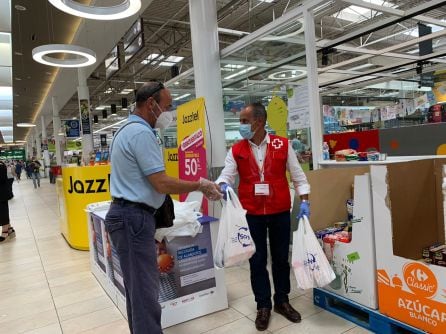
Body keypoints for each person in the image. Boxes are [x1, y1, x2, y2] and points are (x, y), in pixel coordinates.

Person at [104, 81, 222, 334]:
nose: (169, 113)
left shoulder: (125, 131)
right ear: (151, 104)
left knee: (138, 293)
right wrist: (200, 184)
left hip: (128, 217)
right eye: (167, 106)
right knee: (146, 295)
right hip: (133, 219)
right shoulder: (140, 133)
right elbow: (161, 182)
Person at [216, 102, 311, 331]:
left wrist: (305, 201)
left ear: (259, 122)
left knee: (280, 259)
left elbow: (298, 175)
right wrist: (223, 186)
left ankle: (282, 301)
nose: (241, 125)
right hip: (252, 213)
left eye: (244, 121)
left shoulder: (283, 145)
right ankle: (263, 306)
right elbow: (225, 175)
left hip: (279, 210)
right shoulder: (236, 150)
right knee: (257, 261)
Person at [0, 161, 15, 242]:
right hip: (2, 193)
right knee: (3, 210)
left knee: (2, 211)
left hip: (1, 193)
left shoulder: (1, 165)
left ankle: (5, 231)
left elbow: (2, 179)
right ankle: (9, 229)